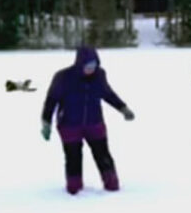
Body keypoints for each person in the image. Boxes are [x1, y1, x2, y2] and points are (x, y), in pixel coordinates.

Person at [41, 46, 135, 195]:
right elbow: (51, 101)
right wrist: (46, 122)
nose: (91, 69)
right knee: (73, 157)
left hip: (94, 123)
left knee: (102, 153)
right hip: (69, 124)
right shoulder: (63, 77)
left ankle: (111, 184)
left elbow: (108, 94)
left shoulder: (99, 75)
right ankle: (74, 188)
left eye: (94, 65)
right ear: (79, 63)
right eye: (88, 66)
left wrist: (123, 108)